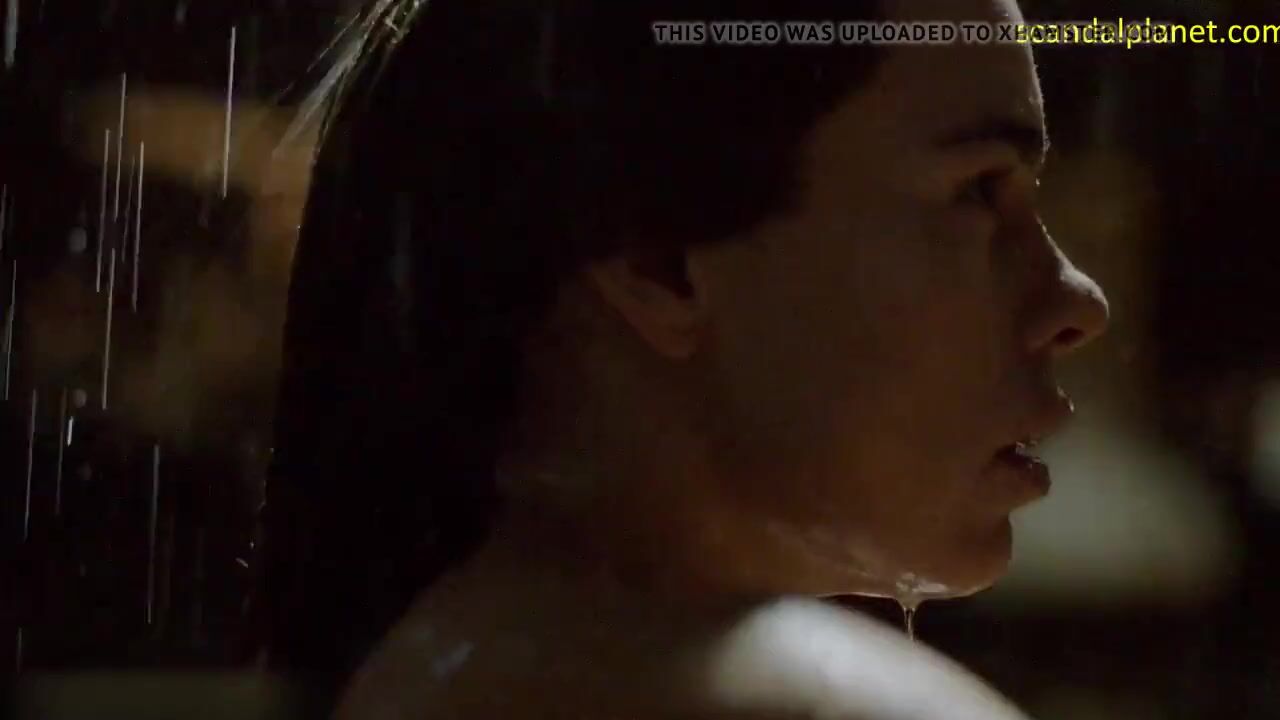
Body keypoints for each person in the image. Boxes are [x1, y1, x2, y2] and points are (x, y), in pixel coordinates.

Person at [260, 0, 1109, 717]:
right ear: (658, 261)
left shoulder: (436, 667)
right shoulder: (783, 703)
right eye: (978, 189)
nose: (1078, 302)